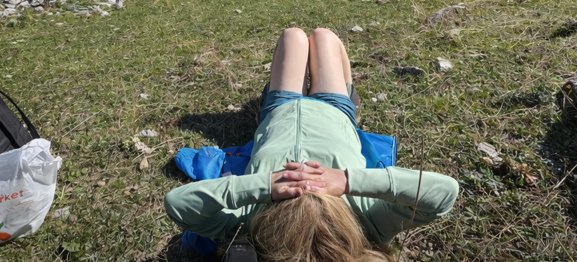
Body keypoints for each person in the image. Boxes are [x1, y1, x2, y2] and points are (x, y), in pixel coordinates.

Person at [164, 27, 460, 261]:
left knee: (292, 36)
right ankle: (350, 97)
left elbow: (178, 204)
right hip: (335, 112)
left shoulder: (251, 227)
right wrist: (346, 180)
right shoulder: (367, 223)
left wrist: (266, 186)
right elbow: (443, 193)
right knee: (323, 36)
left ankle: (330, 93)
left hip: (280, 110)